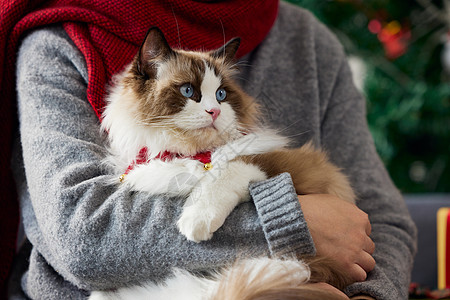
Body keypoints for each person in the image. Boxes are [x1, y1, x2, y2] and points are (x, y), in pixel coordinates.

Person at [1, 0, 417, 299]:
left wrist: (368, 296)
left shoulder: (307, 41)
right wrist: (283, 223)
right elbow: (81, 237)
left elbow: (379, 218)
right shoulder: (56, 39)